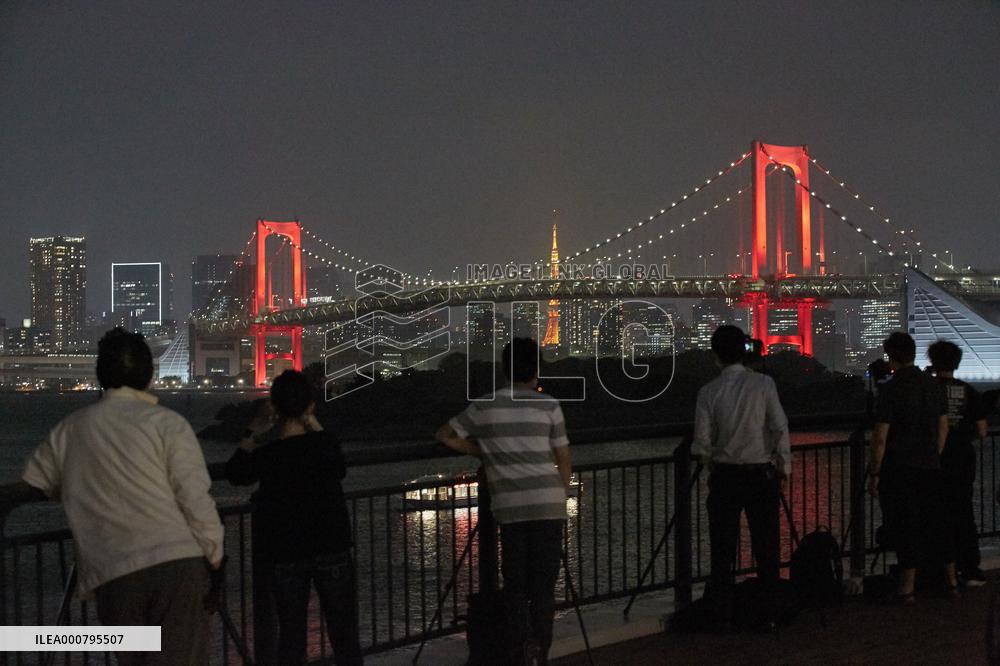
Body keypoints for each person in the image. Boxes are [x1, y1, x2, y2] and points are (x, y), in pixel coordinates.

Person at [22, 328, 224, 665]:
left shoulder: (70, 429)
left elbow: (35, 480)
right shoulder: (168, 424)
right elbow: (195, 500)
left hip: (114, 574)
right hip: (177, 568)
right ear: (150, 374)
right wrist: (215, 560)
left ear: (100, 374)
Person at [436, 337, 571, 664]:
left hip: (510, 509)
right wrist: (560, 495)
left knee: (515, 589)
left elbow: (444, 435)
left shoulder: (485, 405)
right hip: (549, 507)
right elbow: (564, 459)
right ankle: (540, 653)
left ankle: (517, 652)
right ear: (537, 369)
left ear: (504, 369)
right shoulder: (549, 404)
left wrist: (480, 450)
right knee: (543, 591)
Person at [226, 369, 361, 665]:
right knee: (344, 634)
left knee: (291, 636)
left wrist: (253, 431)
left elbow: (234, 472)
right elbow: (339, 467)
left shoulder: (269, 455)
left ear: (273, 406)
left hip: (286, 553)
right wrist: (312, 420)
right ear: (310, 405)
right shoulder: (325, 445)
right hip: (331, 547)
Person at [692, 325, 790, 628]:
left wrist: (710, 464)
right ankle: (769, 615)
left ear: (715, 356)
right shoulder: (764, 384)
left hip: (724, 478)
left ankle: (722, 616)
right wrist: (784, 466)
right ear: (745, 352)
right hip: (761, 475)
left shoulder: (708, 392)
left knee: (722, 550)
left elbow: (702, 441)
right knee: (767, 547)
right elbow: (779, 426)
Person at [868, 332, 956, 603]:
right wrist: (934, 455)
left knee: (905, 525)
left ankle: (906, 589)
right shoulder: (933, 386)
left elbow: (881, 436)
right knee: (937, 524)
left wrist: (875, 472)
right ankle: (951, 581)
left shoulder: (891, 389)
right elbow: (943, 428)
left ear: (890, 356)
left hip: (899, 467)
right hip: (930, 465)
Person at [928, 340, 989, 586]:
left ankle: (938, 570)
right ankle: (970, 569)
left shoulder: (929, 390)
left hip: (933, 460)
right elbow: (983, 430)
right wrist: (964, 436)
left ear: (933, 361)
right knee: (964, 514)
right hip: (963, 459)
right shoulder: (969, 391)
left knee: (935, 515)